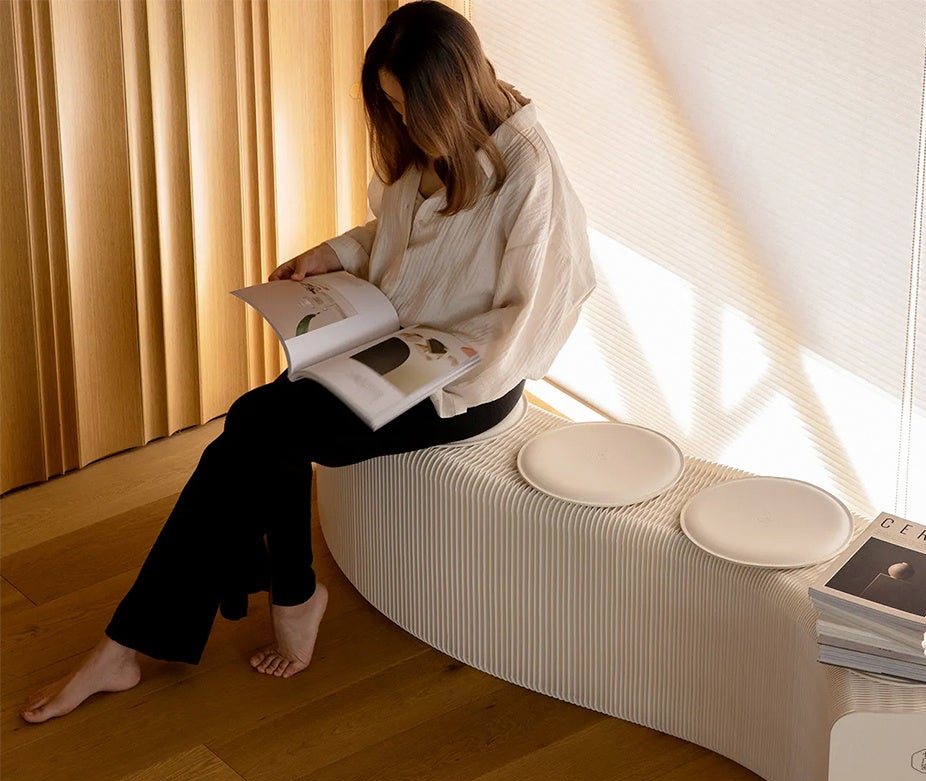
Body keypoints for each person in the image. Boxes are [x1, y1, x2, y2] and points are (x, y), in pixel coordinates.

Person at [21, 0, 594, 724]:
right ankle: (269, 602)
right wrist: (335, 254)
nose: (401, 121)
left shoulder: (529, 173)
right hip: (391, 344)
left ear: (449, 94)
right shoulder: (431, 139)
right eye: (390, 105)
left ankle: (176, 631)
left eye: (407, 108)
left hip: (459, 385)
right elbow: (397, 233)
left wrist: (428, 365)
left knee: (258, 425)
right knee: (261, 428)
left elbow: (543, 308)